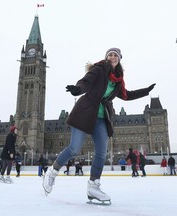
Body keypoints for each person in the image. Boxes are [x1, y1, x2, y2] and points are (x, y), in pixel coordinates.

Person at [42, 47, 155, 203]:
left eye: (115, 55)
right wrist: (77, 89)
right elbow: (86, 82)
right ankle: (52, 172)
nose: (113, 56)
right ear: (106, 58)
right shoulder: (99, 70)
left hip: (102, 117)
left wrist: (145, 91)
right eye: (110, 54)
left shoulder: (118, 79)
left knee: (102, 152)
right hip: (85, 112)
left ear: (119, 59)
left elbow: (126, 95)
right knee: (74, 148)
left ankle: (93, 187)